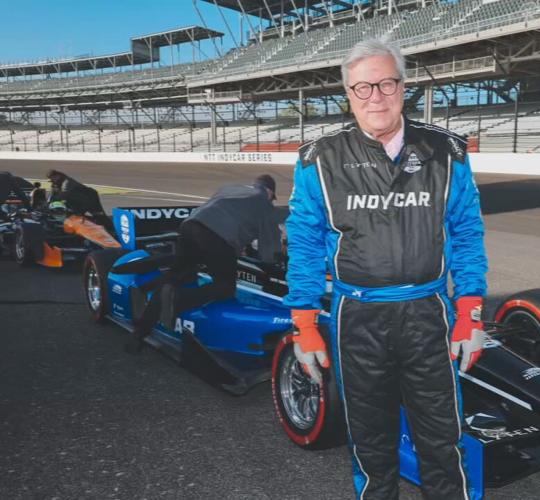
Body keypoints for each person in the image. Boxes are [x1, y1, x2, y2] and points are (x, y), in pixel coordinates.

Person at [286, 38, 487, 500]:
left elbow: (466, 232)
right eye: (362, 87)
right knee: (370, 444)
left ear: (403, 87)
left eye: (386, 83)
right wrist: (304, 324)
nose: (375, 96)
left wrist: (469, 311)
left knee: (442, 441)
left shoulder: (447, 151)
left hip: (427, 313)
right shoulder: (320, 158)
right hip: (357, 318)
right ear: (348, 94)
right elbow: (304, 241)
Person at [127, 174, 281, 353]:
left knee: (176, 277)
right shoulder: (264, 204)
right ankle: (178, 300)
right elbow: (269, 251)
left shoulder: (231, 188)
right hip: (216, 236)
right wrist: (273, 264)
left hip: (190, 226)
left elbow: (227, 216)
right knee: (224, 287)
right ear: (269, 191)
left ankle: (138, 335)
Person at [45, 169, 113, 232]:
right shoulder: (56, 183)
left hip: (89, 198)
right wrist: (48, 202)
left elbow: (63, 194)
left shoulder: (67, 182)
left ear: (57, 176)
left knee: (98, 215)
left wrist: (52, 203)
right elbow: (53, 194)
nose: (51, 181)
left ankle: (112, 229)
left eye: (52, 179)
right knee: (73, 214)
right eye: (50, 180)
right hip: (77, 201)